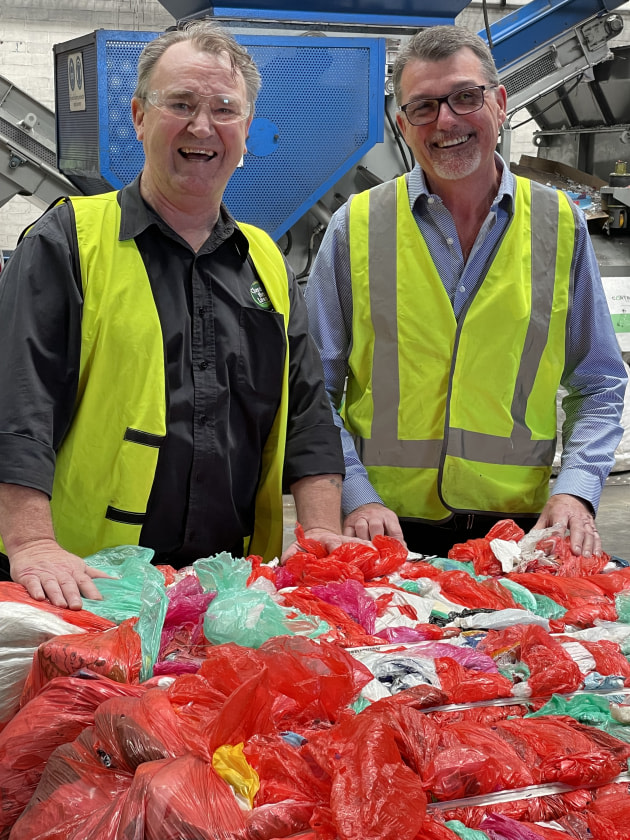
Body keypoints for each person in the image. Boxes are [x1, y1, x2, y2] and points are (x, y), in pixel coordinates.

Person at [0, 20, 349, 610]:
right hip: (84, 586)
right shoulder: (68, 241)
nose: (202, 126)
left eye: (224, 109)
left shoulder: (265, 260)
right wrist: (31, 542)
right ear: (138, 116)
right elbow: (18, 404)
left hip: (227, 593)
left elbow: (308, 416)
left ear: (246, 132)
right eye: (180, 103)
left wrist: (320, 537)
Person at [305, 25, 627, 560]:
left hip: (519, 533)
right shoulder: (355, 227)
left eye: (465, 97)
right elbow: (314, 391)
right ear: (404, 124)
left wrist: (577, 490)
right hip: (384, 530)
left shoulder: (558, 225)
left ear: (500, 103)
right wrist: (355, 496)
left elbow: (598, 382)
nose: (446, 120)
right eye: (424, 107)